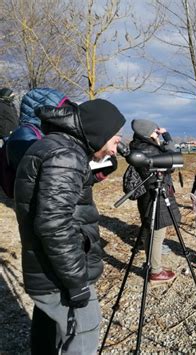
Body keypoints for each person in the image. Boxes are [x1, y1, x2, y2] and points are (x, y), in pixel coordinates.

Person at [14, 98, 125, 354]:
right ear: (100, 132)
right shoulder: (65, 156)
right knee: (82, 336)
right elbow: (54, 225)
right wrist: (77, 283)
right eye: (115, 141)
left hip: (50, 269)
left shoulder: (59, 148)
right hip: (60, 277)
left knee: (54, 334)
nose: (115, 151)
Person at [129, 119, 181, 284]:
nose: (156, 133)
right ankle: (156, 272)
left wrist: (158, 140)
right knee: (157, 233)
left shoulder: (139, 146)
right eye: (154, 130)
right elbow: (173, 161)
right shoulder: (149, 149)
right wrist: (166, 137)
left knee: (150, 230)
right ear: (147, 133)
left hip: (147, 195)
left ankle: (152, 264)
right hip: (156, 195)